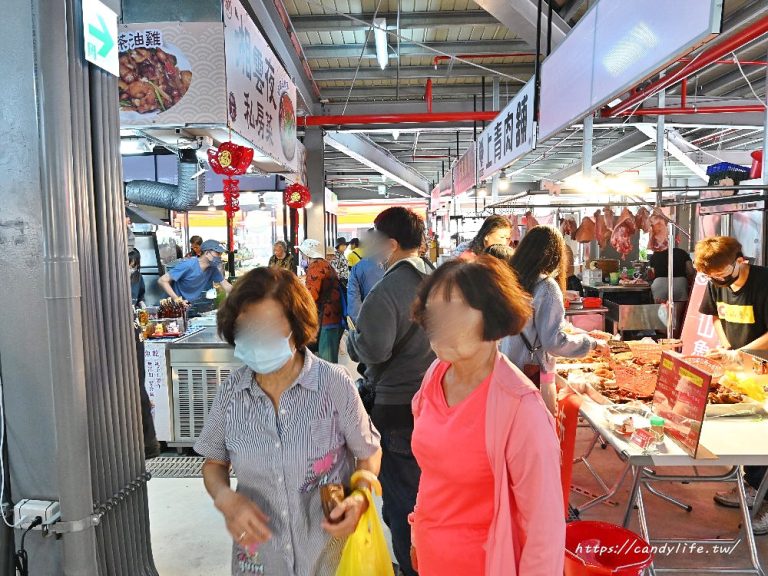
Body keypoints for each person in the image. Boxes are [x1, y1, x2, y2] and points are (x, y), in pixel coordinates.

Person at [194, 267, 382, 575]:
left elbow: (369, 452)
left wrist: (360, 496)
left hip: (328, 558)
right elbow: (214, 463)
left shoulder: (333, 384)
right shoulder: (231, 392)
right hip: (259, 560)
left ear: (296, 326)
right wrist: (226, 499)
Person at [410, 256, 565, 576]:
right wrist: (417, 528)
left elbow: (544, 532)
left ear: (493, 316)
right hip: (431, 556)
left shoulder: (521, 409)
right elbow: (432, 471)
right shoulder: (435, 375)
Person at [346, 207, 435, 576]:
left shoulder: (387, 290)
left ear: (392, 244)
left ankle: (414, 568)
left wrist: (352, 340)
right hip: (435, 403)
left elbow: (373, 350)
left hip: (397, 407)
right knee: (429, 496)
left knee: (401, 504)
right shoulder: (436, 278)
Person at [695, 236, 768, 534]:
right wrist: (727, 347)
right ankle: (751, 486)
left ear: (740, 261)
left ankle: (765, 505)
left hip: (763, 366)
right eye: (711, 276)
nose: (717, 280)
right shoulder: (717, 282)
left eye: (721, 273)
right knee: (749, 430)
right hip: (740, 368)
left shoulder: (763, 283)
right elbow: (716, 315)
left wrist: (743, 352)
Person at [500, 226, 607, 413]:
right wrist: (592, 344)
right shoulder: (546, 286)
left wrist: (579, 332)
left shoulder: (511, 281)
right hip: (532, 378)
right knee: (537, 430)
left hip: (506, 374)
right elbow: (554, 343)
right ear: (554, 255)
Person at [299, 239, 343, 363]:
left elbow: (311, 295)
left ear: (308, 253)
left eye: (303, 253)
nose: (302, 256)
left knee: (327, 362)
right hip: (333, 315)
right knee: (329, 359)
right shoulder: (324, 264)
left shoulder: (315, 267)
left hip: (327, 317)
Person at [158, 239, 233, 304]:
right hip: (173, 307)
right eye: (218, 253)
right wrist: (177, 300)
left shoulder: (212, 269)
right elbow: (162, 280)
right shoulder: (188, 265)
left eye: (221, 254)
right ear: (207, 253)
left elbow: (226, 285)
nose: (220, 257)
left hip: (188, 306)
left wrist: (239, 292)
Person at [347, 229, 385, 323]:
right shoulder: (399, 265)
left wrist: (359, 323)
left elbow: (353, 299)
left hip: (368, 321)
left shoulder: (358, 267)